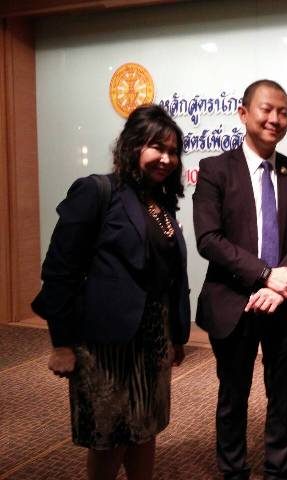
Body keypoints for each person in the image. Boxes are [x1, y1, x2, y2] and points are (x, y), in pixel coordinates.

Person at [31, 104, 191, 480]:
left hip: (152, 338)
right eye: (157, 147)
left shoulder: (160, 202)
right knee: (110, 437)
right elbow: (59, 271)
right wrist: (61, 344)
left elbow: (168, 275)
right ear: (132, 145)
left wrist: (175, 335)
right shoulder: (96, 191)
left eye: (173, 151)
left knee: (145, 428)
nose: (167, 159)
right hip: (106, 343)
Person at [192, 79, 287, 480]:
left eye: (283, 112)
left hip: (286, 302)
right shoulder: (215, 170)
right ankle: (234, 471)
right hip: (234, 300)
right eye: (267, 109)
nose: (275, 119)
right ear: (243, 113)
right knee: (233, 395)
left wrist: (280, 285)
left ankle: (277, 471)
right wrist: (265, 275)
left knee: (283, 396)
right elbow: (208, 239)